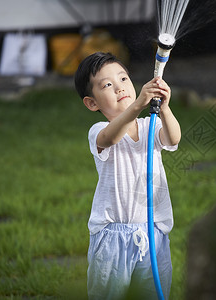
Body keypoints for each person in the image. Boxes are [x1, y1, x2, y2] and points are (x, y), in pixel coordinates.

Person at [74, 52, 181, 300]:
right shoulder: (99, 131)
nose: (120, 87)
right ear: (92, 103)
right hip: (112, 238)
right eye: (108, 85)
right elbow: (110, 138)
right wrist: (137, 105)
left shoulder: (148, 127)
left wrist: (164, 108)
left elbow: (173, 138)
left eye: (123, 79)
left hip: (152, 234)